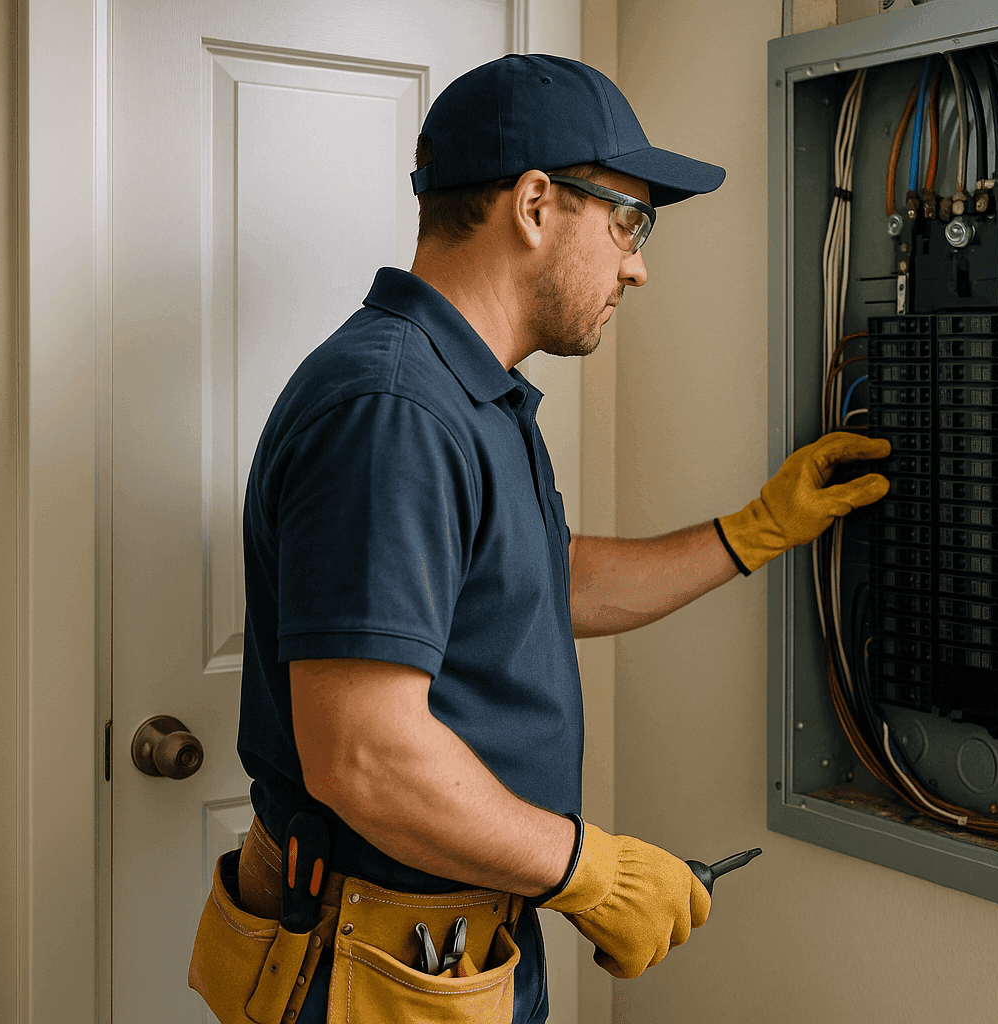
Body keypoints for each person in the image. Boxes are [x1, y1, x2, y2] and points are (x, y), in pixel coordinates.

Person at [221, 54, 890, 1024]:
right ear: (535, 204)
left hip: (456, 942)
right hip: (371, 962)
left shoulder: (472, 393)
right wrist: (593, 872)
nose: (638, 262)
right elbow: (361, 753)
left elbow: (542, 583)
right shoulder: (394, 408)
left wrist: (756, 530)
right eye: (628, 219)